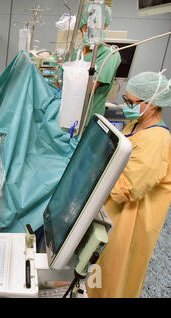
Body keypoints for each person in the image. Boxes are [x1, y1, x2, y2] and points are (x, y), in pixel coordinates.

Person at [87, 71, 171, 298]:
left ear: (152, 105)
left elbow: (129, 187)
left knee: (116, 275)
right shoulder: (135, 125)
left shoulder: (157, 140)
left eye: (132, 103)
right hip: (112, 211)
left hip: (131, 220)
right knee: (98, 267)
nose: (126, 106)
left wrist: (94, 174)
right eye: (126, 100)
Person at [71, 2, 121, 126]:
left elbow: (88, 87)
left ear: (106, 27)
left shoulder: (110, 54)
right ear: (82, 27)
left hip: (86, 120)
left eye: (98, 26)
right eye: (88, 27)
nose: (92, 31)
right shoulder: (75, 52)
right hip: (67, 114)